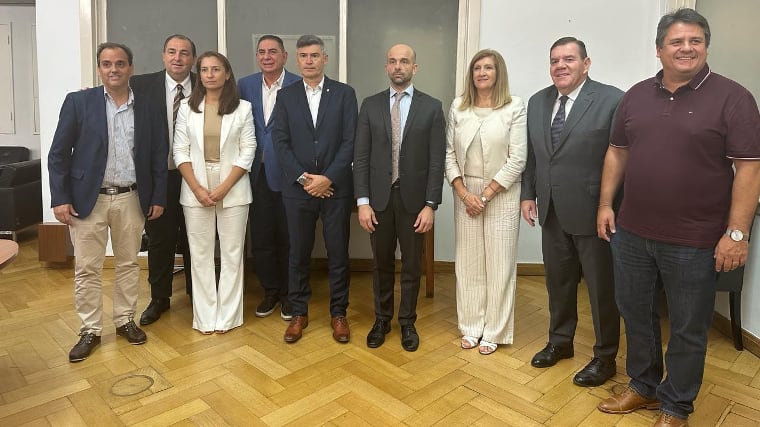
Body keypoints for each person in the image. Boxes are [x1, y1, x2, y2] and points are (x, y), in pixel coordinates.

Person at [596, 8, 760, 427]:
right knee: (635, 312)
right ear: (659, 50)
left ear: (705, 47)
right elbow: (617, 151)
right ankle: (644, 387)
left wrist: (736, 234)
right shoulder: (635, 96)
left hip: (695, 239)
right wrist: (605, 204)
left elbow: (750, 169)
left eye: (695, 41)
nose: (686, 48)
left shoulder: (734, 97)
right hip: (631, 231)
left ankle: (675, 406)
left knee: (688, 327)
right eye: (676, 41)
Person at [48, 42, 168, 362]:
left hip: (132, 197)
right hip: (88, 200)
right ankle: (89, 329)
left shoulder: (147, 106)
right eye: (106, 64)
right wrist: (59, 198)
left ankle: (124, 320)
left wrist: (157, 196)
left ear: (131, 67)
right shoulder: (78, 102)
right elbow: (58, 154)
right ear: (99, 68)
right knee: (87, 268)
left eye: (119, 63)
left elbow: (158, 155)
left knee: (128, 264)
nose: (113, 69)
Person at [520, 37, 623, 387]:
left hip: (595, 214)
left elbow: (621, 157)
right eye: (554, 61)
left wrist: (609, 206)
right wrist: (528, 194)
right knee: (558, 284)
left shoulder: (611, 100)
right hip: (550, 210)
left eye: (568, 59)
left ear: (586, 63)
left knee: (601, 289)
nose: (560, 66)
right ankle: (560, 342)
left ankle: (605, 356)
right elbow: (533, 155)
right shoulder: (537, 102)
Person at [353, 44, 446, 352]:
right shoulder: (370, 105)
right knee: (380, 264)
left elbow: (436, 161)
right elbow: (361, 156)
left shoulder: (431, 107)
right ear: (386, 67)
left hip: (414, 202)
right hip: (378, 200)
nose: (398, 66)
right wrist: (362, 201)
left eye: (404, 61)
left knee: (410, 265)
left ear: (414, 68)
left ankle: (407, 321)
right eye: (392, 61)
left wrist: (431, 204)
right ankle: (381, 319)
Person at [273, 34, 358, 344]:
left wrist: (328, 178)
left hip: (335, 189)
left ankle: (339, 313)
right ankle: (298, 312)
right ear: (297, 60)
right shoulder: (286, 96)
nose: (309, 61)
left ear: (325, 59)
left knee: (338, 253)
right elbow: (279, 143)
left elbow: (351, 142)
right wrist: (305, 179)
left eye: (315, 55)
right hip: (298, 189)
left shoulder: (345, 94)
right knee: (298, 253)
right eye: (304, 56)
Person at [444, 49, 526, 355]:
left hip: (502, 193)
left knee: (500, 264)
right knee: (469, 264)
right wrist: (465, 193)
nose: (482, 72)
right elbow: (449, 155)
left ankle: (495, 330)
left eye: (488, 67)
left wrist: (485, 195)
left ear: (497, 72)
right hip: (465, 193)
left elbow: (518, 158)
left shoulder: (513, 106)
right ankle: (471, 326)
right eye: (477, 68)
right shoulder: (459, 107)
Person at [173, 51, 255, 334]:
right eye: (204, 70)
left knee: (233, 254)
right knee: (200, 254)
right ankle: (205, 318)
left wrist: (223, 187)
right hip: (195, 183)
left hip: (232, 184)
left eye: (216, 69)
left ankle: (229, 317)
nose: (209, 74)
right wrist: (197, 187)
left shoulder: (243, 108)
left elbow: (248, 152)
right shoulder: (187, 107)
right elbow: (179, 151)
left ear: (227, 73)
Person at [130, 34, 196, 326]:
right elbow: (109, 98)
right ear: (163, 55)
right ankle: (159, 299)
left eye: (184, 53)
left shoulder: (207, 85)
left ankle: (199, 296)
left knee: (198, 238)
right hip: (159, 177)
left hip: (197, 177)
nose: (177, 58)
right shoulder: (140, 86)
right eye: (172, 52)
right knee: (160, 239)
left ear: (192, 59)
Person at [238, 35, 301, 320]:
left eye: (272, 52)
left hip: (290, 174)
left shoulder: (298, 85)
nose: (266, 56)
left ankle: (290, 295)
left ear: (284, 56)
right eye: (261, 52)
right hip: (254, 173)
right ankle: (270, 292)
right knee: (261, 237)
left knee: (290, 237)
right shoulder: (245, 85)